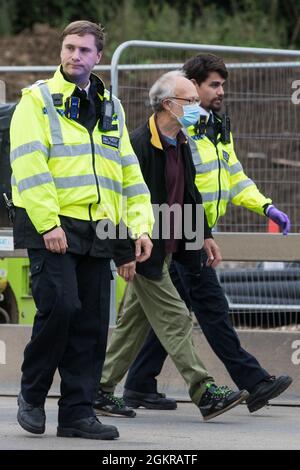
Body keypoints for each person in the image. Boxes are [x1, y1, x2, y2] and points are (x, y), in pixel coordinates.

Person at [122, 54, 293, 414]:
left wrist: (264, 206)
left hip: (193, 235)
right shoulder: (179, 131)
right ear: (190, 88)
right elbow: (178, 187)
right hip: (182, 234)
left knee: (166, 316)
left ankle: (138, 384)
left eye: (221, 85)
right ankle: (253, 381)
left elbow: (234, 176)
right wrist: (197, 233)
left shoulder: (216, 127)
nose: (220, 92)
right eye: (212, 85)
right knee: (210, 309)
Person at [10, 20, 154, 440]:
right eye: (70, 47)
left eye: (85, 50)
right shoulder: (37, 100)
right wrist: (48, 223)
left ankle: (76, 413)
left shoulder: (112, 107)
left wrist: (140, 228)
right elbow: (29, 163)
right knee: (62, 307)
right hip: (49, 223)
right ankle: (32, 394)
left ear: (99, 57)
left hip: (100, 229)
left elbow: (129, 174)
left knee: (91, 322)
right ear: (61, 51)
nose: (75, 56)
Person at [93, 70, 249, 422]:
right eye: (190, 101)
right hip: (142, 249)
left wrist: (204, 235)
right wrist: (124, 250)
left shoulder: (183, 142)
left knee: (134, 324)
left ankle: (100, 390)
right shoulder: (137, 145)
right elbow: (120, 201)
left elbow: (191, 196)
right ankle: (204, 391)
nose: (198, 108)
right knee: (177, 316)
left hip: (165, 248)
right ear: (168, 104)